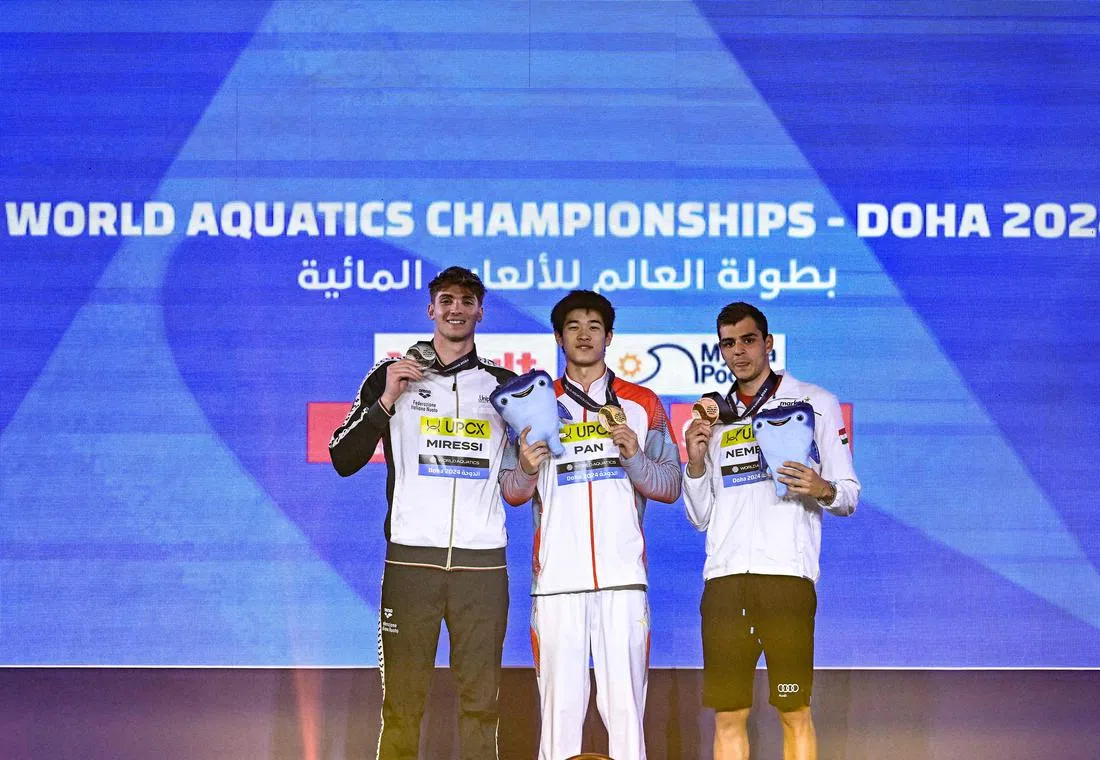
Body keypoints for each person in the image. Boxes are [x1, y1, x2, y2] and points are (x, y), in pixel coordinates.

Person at [329, 266, 517, 760]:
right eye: (446, 300)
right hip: (412, 562)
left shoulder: (504, 385)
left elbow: (539, 455)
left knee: (482, 704)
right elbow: (342, 458)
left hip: (482, 564)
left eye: (467, 300)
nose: (457, 308)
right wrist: (388, 399)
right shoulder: (390, 376)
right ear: (430, 308)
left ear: (481, 310)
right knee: (403, 704)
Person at [500, 290, 682, 760]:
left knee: (625, 716)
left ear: (610, 337)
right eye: (574, 327)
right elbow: (512, 491)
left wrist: (634, 456)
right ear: (559, 338)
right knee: (559, 720)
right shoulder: (532, 404)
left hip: (622, 580)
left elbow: (669, 485)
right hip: (557, 580)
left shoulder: (642, 404)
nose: (584, 335)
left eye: (594, 326)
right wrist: (526, 465)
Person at [682, 302, 860, 760]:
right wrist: (697, 463)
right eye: (727, 343)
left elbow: (848, 495)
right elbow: (701, 517)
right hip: (724, 582)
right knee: (728, 714)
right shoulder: (712, 417)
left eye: (747, 340)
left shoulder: (813, 402)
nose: (737, 352)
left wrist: (822, 488)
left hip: (785, 578)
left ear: (768, 343)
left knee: (793, 709)